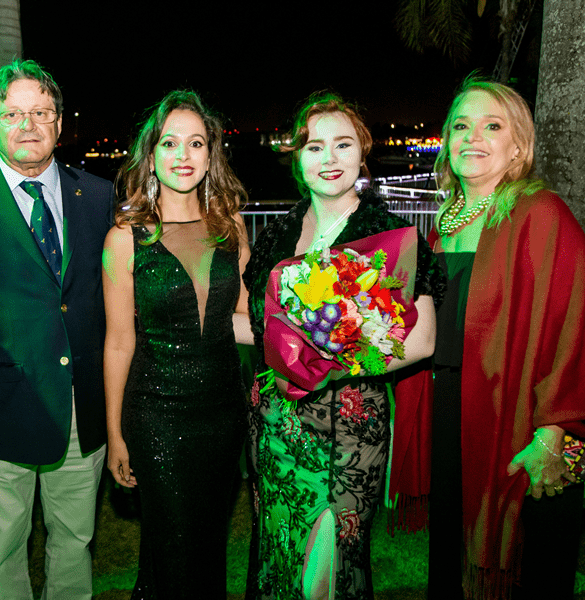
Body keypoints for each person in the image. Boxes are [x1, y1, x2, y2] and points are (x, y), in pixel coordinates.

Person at [242, 92, 445, 600]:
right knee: (280, 554)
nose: (329, 158)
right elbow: (259, 328)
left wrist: (328, 362)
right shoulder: (275, 237)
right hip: (275, 427)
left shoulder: (392, 235)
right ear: (297, 159)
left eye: (343, 144)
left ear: (362, 152)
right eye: (315, 147)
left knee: (327, 571)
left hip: (349, 428)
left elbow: (421, 340)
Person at [0, 59, 113, 600]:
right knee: (2, 554)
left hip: (81, 411)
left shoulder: (98, 195)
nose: (28, 125)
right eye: (12, 114)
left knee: (74, 543)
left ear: (59, 122)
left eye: (41, 112)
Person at [427, 76, 585, 600]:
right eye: (461, 126)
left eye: (492, 126)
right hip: (452, 414)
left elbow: (572, 330)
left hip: (519, 423)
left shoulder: (542, 213)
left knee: (525, 573)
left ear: (518, 145)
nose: (472, 137)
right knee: (452, 560)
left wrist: (550, 433)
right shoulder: (443, 224)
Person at [103, 90, 251, 597]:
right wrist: (115, 434)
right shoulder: (125, 238)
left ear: (210, 156)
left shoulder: (231, 228)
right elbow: (118, 342)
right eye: (170, 143)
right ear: (151, 156)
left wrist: (315, 327)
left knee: (208, 545)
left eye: (196, 143)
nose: (183, 155)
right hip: (157, 417)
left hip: (224, 413)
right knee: (173, 547)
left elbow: (246, 317)